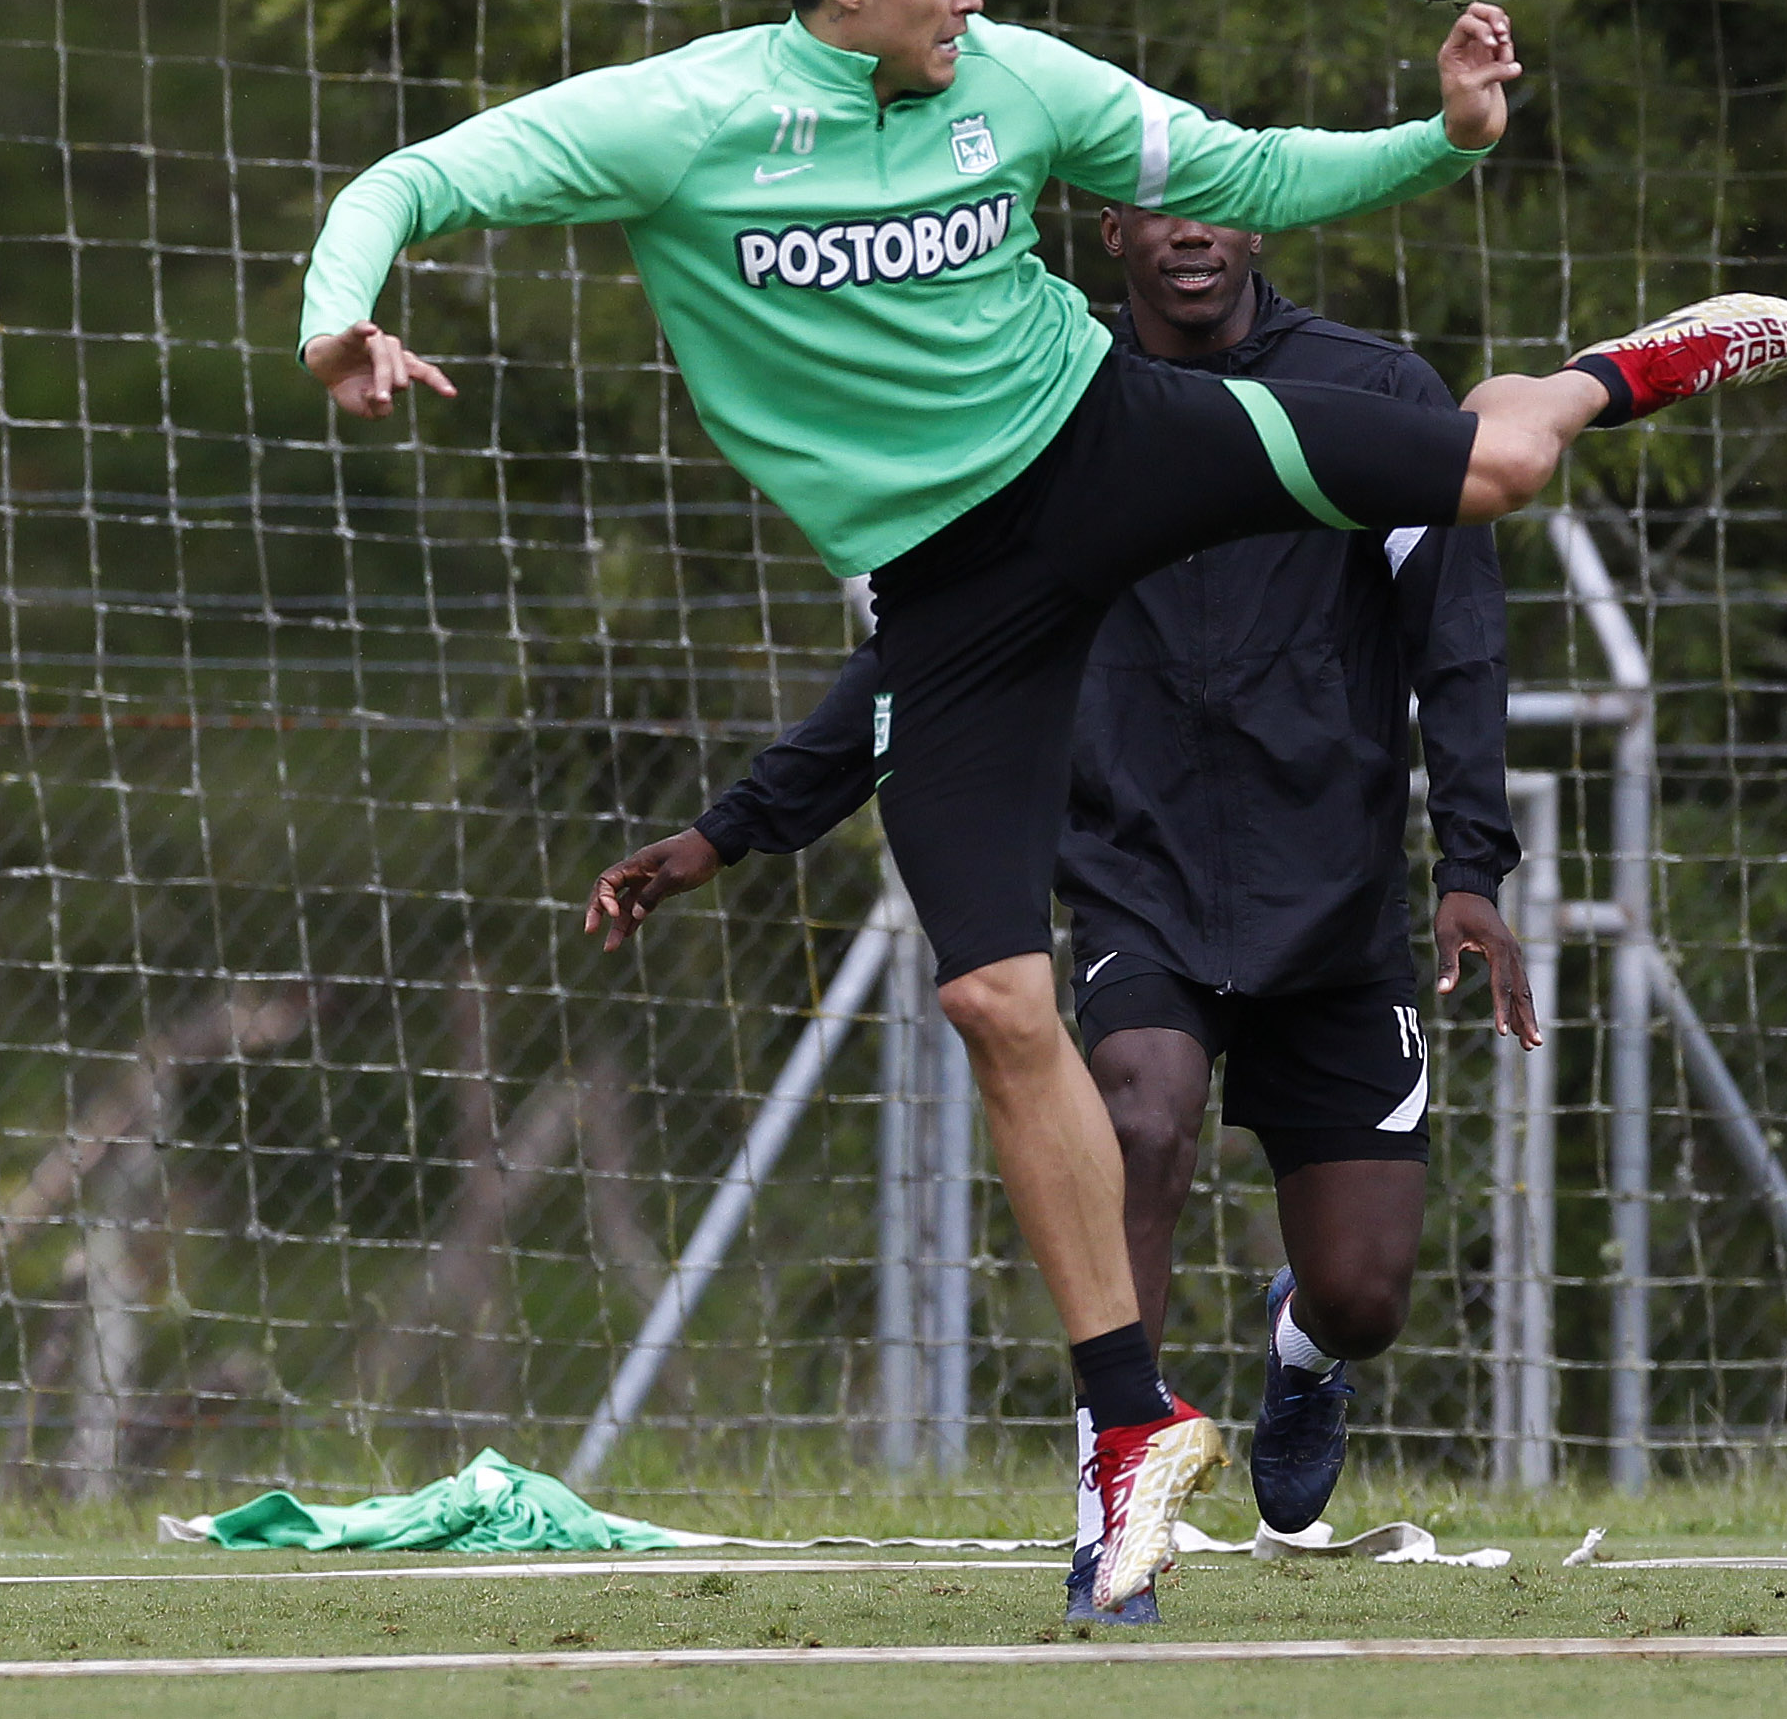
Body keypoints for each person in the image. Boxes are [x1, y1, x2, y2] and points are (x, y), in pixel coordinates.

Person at [296, 0, 1787, 1616]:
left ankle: (1602, 372)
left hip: (1103, 445)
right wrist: (343, 318)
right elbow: (408, 177)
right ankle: (1126, 1429)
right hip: (948, 590)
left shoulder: (1014, 84)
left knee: (1491, 461)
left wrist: (1444, 137)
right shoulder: (678, 119)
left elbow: (1246, 168)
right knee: (990, 999)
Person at [587, 203, 1534, 1624]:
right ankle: (1121, 1482)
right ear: (1107, 237)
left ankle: (1300, 1348)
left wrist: (1473, 867)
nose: (1192, 241)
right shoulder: (1050, 408)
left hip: (1331, 894)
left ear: (1257, 224)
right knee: (1137, 1112)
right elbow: (936, 651)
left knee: (1365, 1293)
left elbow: (1452, 641)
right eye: (1158, 219)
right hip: (1132, 869)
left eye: (1217, 212)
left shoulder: (1371, 394)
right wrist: (735, 828)